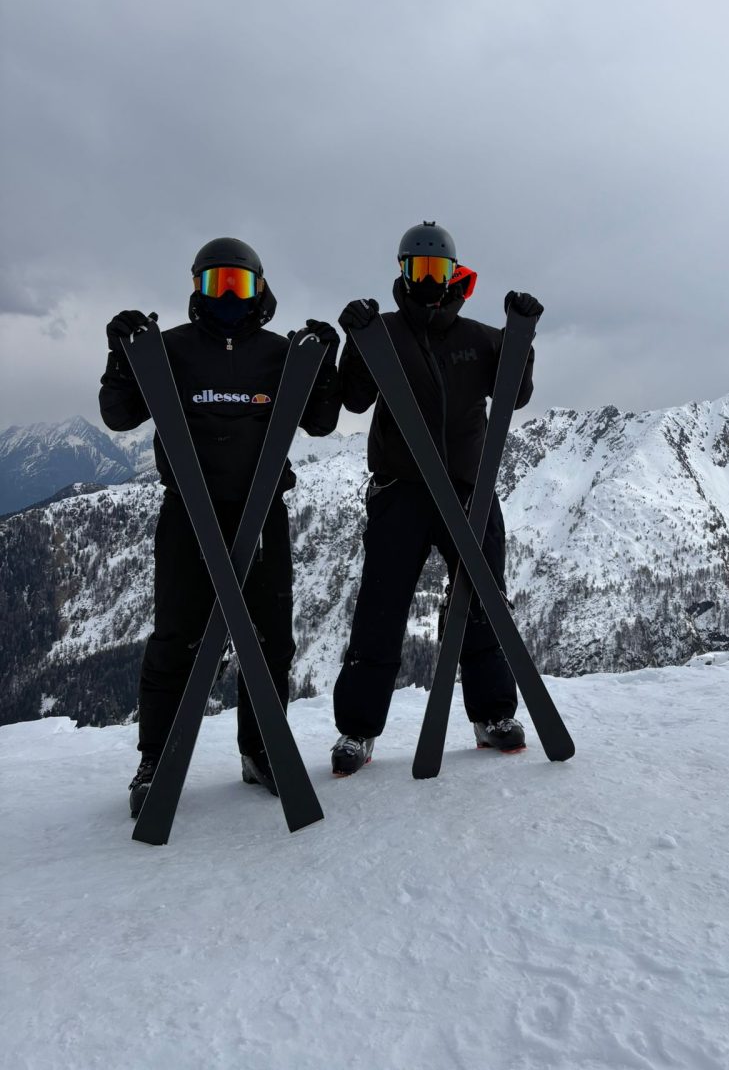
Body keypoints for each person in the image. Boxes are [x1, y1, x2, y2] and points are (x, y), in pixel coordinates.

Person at [99, 237, 340, 817]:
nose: (228, 295)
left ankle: (260, 752)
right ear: (196, 289)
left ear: (259, 288)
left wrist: (323, 364)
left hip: (262, 518)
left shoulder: (279, 354)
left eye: (239, 283)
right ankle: (156, 760)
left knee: (270, 642)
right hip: (188, 514)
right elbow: (118, 414)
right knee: (175, 641)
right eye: (216, 283)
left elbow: (323, 421)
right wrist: (121, 354)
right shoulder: (173, 350)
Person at [331, 220, 542, 776]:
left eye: (437, 270)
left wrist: (523, 337)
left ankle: (492, 715)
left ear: (454, 274)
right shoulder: (387, 334)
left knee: (484, 600)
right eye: (418, 269)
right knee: (381, 606)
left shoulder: (478, 338)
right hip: (401, 490)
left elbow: (516, 393)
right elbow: (353, 401)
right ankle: (358, 728)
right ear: (402, 272)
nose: (428, 279)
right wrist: (355, 345)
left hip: (469, 489)